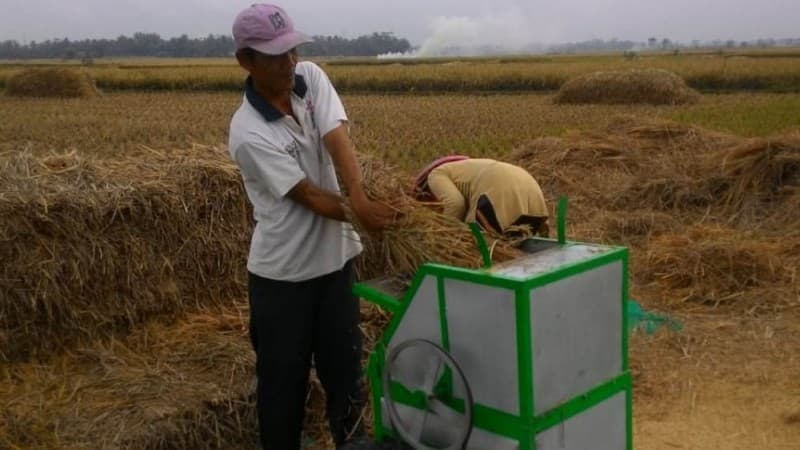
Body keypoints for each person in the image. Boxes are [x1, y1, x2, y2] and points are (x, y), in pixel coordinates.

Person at [227, 4, 394, 449]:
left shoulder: (311, 78)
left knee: (346, 373)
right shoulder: (247, 132)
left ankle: (353, 444)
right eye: (274, 55)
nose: (289, 62)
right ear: (246, 61)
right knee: (283, 387)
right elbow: (312, 197)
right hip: (283, 279)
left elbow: (337, 139)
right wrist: (364, 212)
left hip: (336, 262)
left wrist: (359, 192)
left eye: (291, 49)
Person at [414, 156, 549, 237]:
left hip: (498, 186)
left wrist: (445, 235)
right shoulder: (468, 168)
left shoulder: (436, 174)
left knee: (475, 243)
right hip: (528, 183)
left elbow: (455, 204)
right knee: (517, 244)